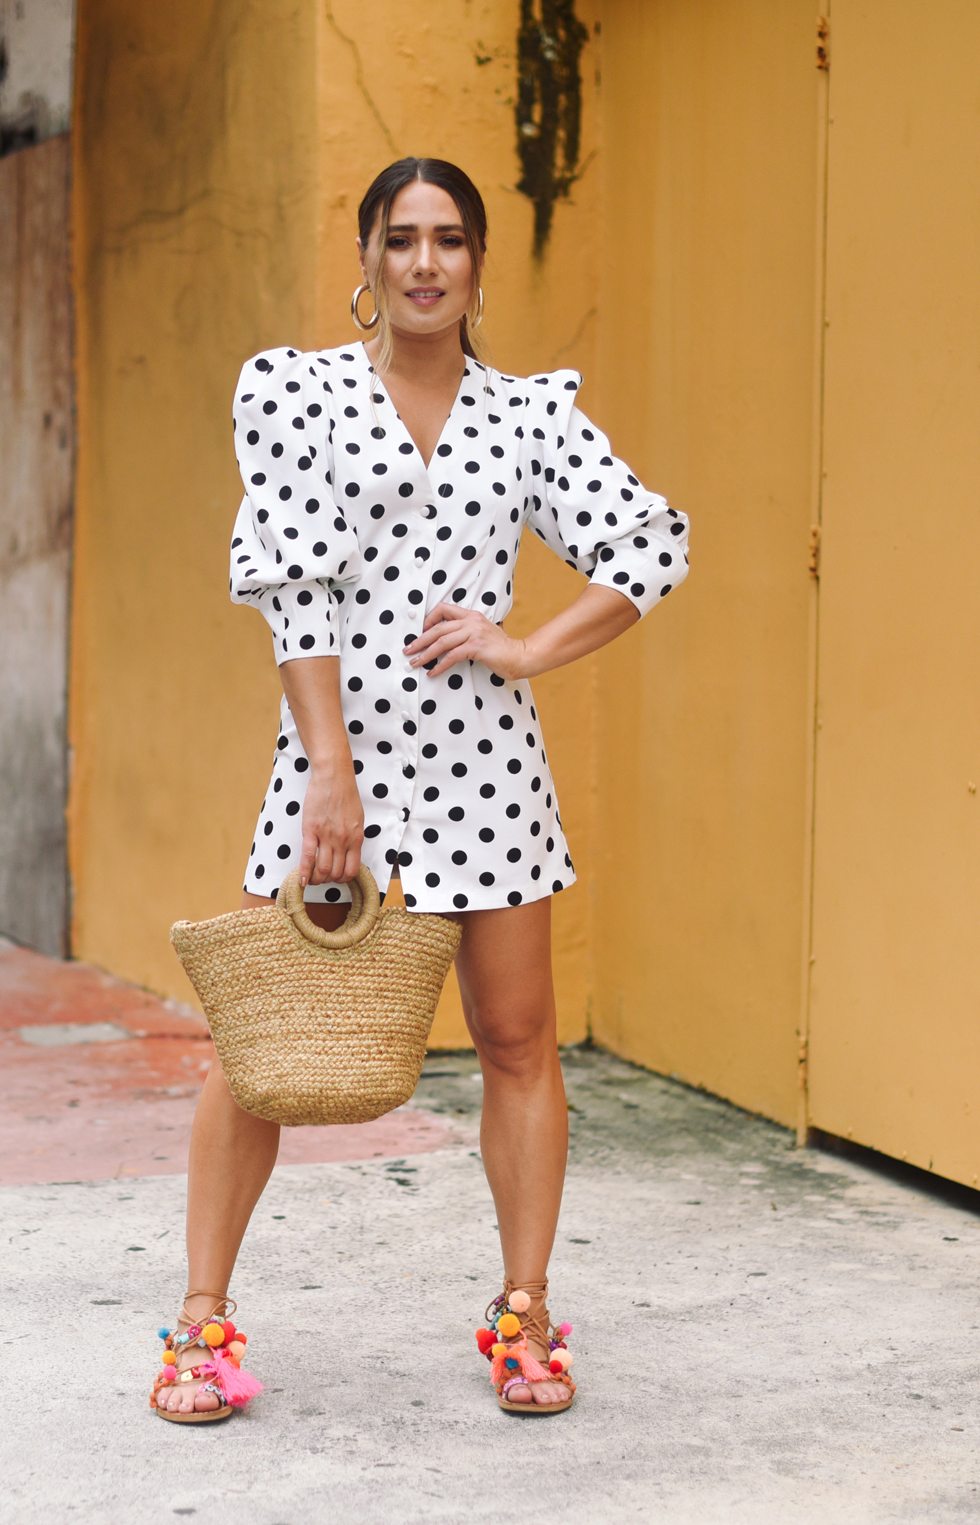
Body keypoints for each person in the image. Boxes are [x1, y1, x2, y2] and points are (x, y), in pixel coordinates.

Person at [150, 155, 690, 1422]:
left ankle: (522, 1312)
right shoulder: (302, 398)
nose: (427, 263)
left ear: (479, 263)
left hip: (490, 769)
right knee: (259, 1041)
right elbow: (296, 590)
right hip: (341, 757)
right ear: (367, 260)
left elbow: (650, 539)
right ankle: (199, 1324)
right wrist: (328, 776)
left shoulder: (531, 417)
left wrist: (528, 646)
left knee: (515, 1040)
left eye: (451, 239)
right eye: (402, 239)